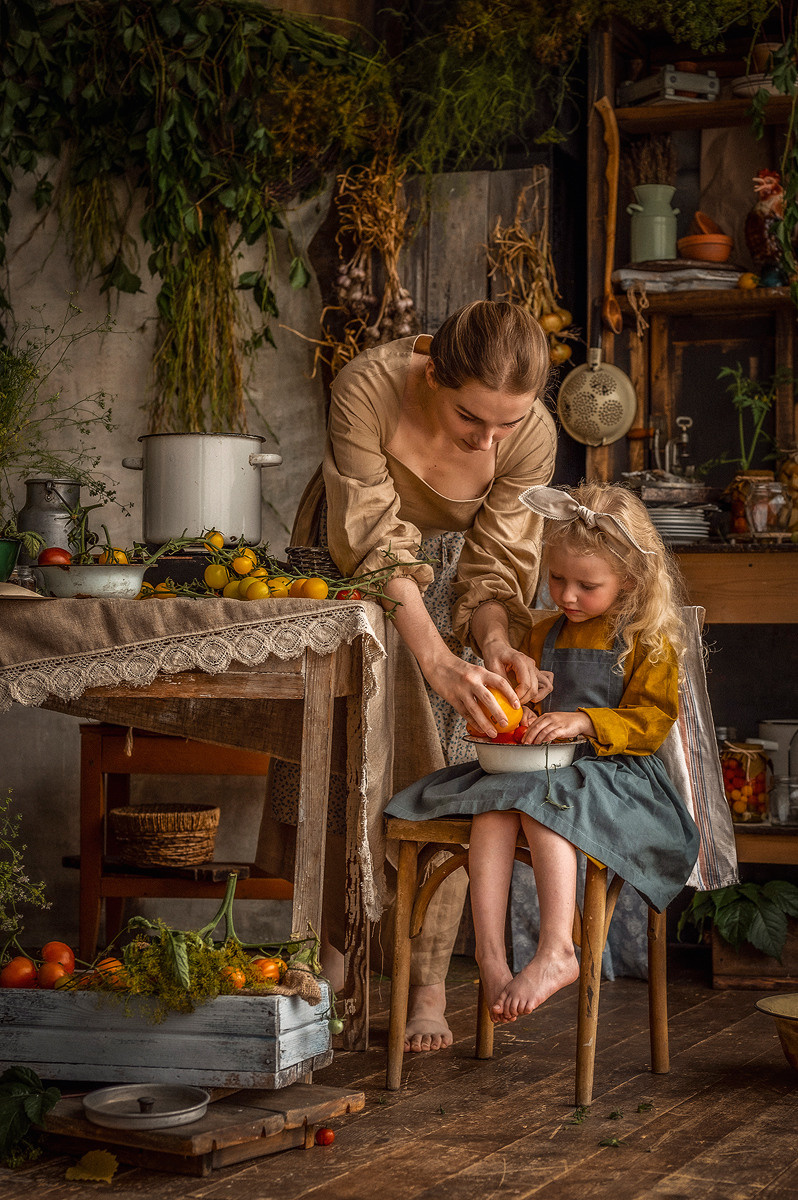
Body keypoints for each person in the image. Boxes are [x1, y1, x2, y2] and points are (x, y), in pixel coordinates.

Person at [256, 300, 558, 1052]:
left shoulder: (535, 437)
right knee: (335, 763)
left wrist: (491, 646)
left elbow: (494, 567)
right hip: (346, 564)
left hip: (452, 577)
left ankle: (425, 985)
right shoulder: (367, 386)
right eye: (471, 419)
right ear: (432, 374)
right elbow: (371, 539)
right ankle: (328, 968)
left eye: (507, 426)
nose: (489, 441)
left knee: (455, 767)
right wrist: (433, 656)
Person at [385, 482, 701, 1025]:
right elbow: (522, 714)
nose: (567, 595)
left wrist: (582, 719)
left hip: (618, 776)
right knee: (492, 806)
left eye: (587, 585)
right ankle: (491, 955)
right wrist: (518, 708)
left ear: (629, 582)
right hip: (539, 772)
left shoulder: (646, 641)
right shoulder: (541, 631)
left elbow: (652, 722)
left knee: (543, 802)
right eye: (556, 578)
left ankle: (558, 946)